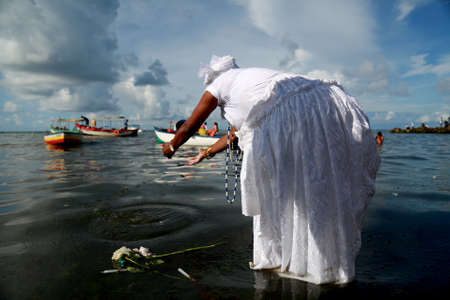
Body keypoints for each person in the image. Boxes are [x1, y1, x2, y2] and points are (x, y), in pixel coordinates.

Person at [161, 55, 380, 285]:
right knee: (314, 192)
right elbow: (235, 134)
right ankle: (325, 265)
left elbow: (189, 126)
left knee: (287, 196)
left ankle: (300, 262)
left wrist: (172, 146)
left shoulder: (218, 85)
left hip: (298, 114)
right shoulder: (250, 87)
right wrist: (205, 154)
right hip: (328, 104)